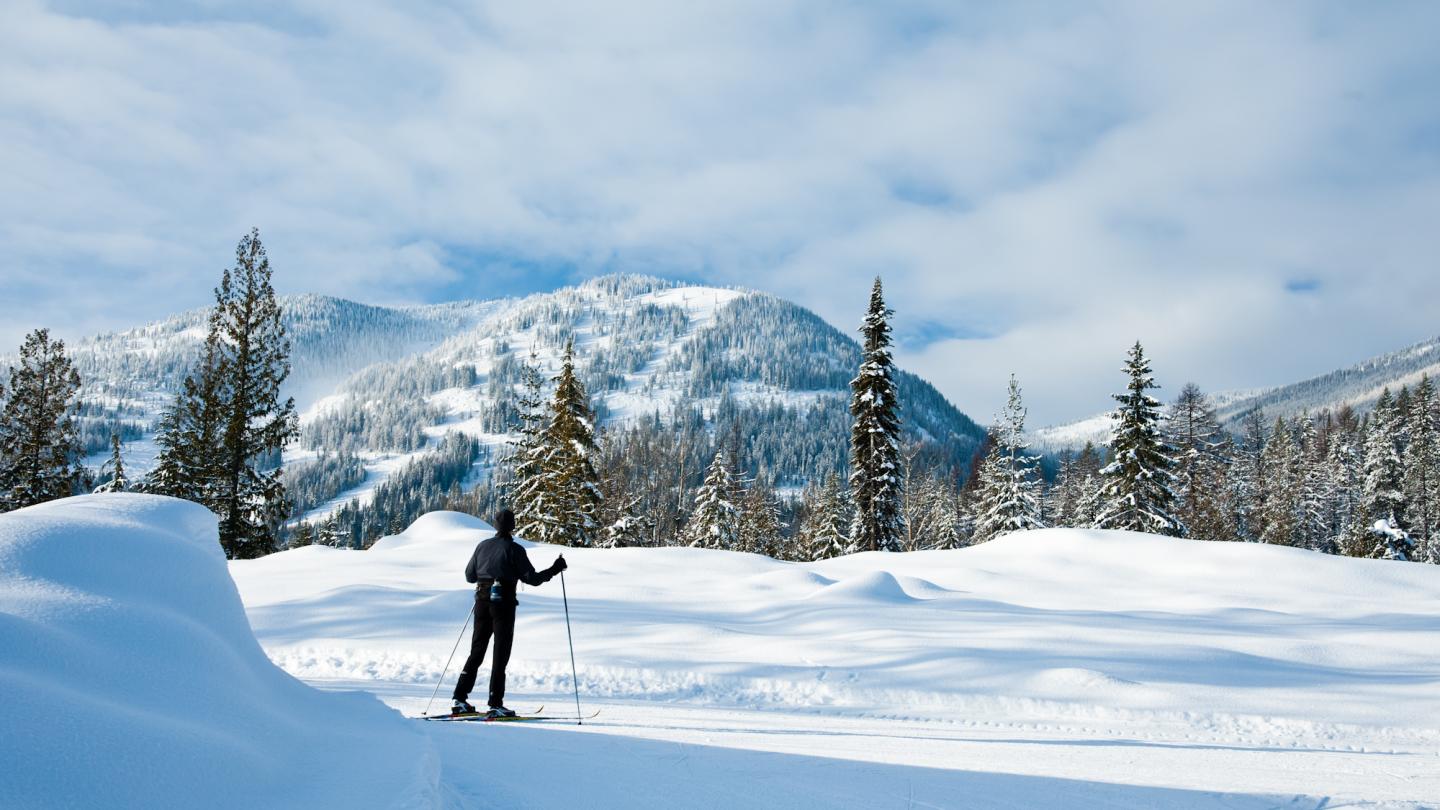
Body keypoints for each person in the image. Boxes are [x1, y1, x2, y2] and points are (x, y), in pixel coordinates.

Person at [451, 508, 567, 718]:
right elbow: (532, 579)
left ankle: (459, 698)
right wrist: (555, 568)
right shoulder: (515, 550)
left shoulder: (482, 546)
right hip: (503, 604)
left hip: (481, 602)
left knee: (476, 651)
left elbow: (469, 576)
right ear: (513, 526)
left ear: (495, 525)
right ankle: (495, 703)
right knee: (500, 654)